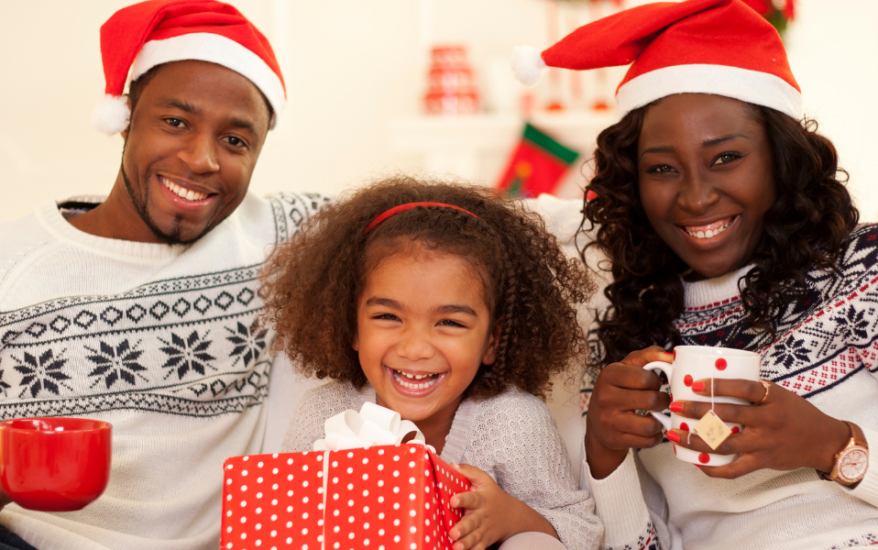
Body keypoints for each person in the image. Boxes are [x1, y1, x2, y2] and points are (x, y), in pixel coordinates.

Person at [513, 0, 878, 549]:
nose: (696, 197)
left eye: (726, 157)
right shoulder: (626, 326)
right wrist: (605, 456)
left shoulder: (864, 268)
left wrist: (831, 446)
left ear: (781, 158)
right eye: (662, 168)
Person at [0, 1, 328, 549]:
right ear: (126, 117)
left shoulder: (280, 236)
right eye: (175, 122)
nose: (202, 159)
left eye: (235, 141)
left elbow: (459, 229)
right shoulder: (12, 266)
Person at [260, 177, 604, 550]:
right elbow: (281, 520)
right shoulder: (323, 412)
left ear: (492, 340)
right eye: (388, 317)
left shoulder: (514, 422)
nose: (415, 348)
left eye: (450, 323)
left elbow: (581, 530)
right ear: (352, 326)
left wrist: (511, 517)